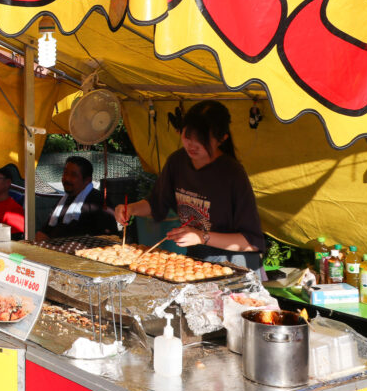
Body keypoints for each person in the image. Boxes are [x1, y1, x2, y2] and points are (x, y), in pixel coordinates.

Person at [112, 100, 266, 271]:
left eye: (202, 140)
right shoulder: (177, 162)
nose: (192, 145)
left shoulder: (232, 174)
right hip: (197, 260)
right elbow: (156, 203)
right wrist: (130, 209)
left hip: (233, 265)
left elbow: (251, 242)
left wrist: (202, 237)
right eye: (188, 136)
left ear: (222, 139)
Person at [35, 156, 116, 240]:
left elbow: (108, 238)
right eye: (65, 173)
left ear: (87, 180)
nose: (66, 178)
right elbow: (45, 231)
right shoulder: (62, 202)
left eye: (73, 175)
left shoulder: (99, 202)